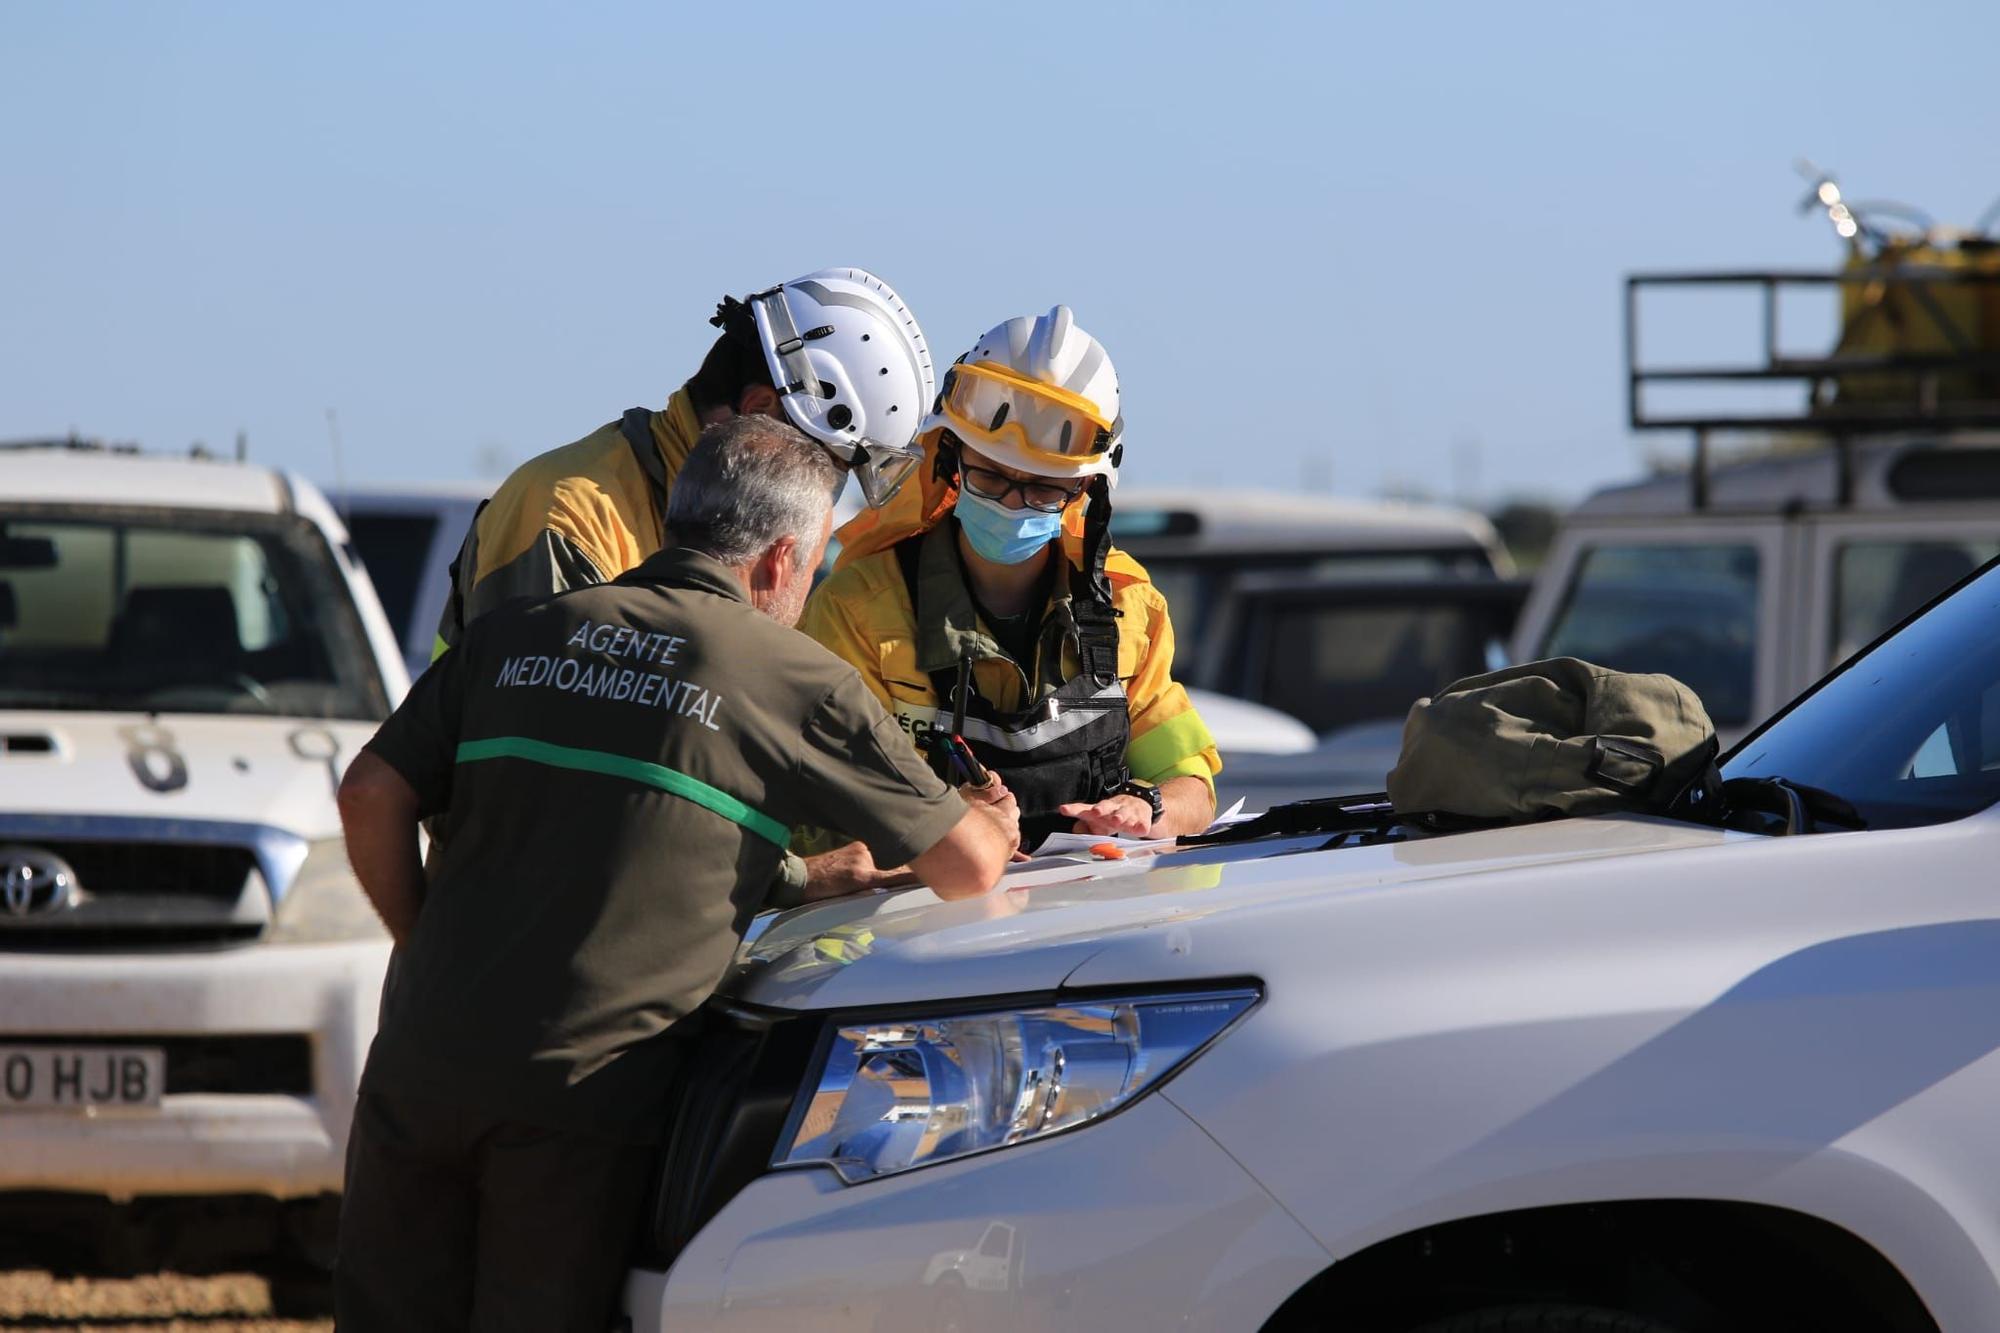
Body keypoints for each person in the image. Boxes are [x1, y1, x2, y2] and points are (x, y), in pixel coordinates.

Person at [333, 415, 1018, 1332]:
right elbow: (968, 869)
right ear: (780, 560)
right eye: (812, 566)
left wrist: (421, 945)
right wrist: (996, 823)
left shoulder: (518, 633)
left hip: (417, 1066)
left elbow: (370, 792)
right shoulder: (795, 677)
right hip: (578, 1101)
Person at [800, 305, 1219, 872]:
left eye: (1044, 489)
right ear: (950, 461)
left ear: (1085, 490)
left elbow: (1191, 784)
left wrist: (1146, 808)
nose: (1013, 503)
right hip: (914, 931)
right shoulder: (857, 609)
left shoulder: (1128, 610)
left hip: (1090, 926)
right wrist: (952, 827)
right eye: (992, 475)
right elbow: (822, 821)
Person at [432, 266, 933, 657]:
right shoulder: (570, 515)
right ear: (760, 412)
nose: (821, 502)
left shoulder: (735, 537)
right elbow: (549, 750)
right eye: (827, 469)